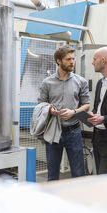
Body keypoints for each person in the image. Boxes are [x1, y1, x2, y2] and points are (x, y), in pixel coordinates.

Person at [38, 45, 90, 180]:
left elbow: (87, 105)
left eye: (73, 59)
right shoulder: (47, 83)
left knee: (78, 173)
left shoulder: (81, 82)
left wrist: (73, 112)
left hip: (74, 132)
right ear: (58, 61)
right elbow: (40, 105)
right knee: (52, 174)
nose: (72, 62)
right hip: (54, 131)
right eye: (68, 59)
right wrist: (50, 110)